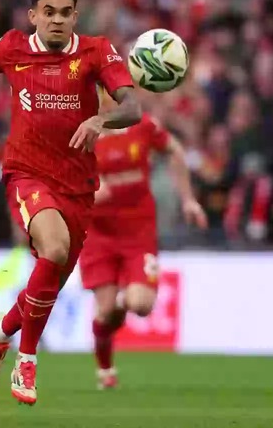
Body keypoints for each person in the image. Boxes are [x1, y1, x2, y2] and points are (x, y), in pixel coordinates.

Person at [0, 0, 142, 405]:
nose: (57, 20)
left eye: (65, 13)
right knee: (54, 249)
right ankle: (27, 360)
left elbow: (131, 107)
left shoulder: (97, 50)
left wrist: (102, 120)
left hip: (78, 187)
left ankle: (2, 332)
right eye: (49, 12)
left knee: (48, 284)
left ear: (75, 16)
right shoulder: (11, 48)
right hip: (27, 175)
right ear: (33, 16)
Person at [80, 87, 207, 389]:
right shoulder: (82, 134)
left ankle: (123, 300)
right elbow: (59, 180)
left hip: (138, 232)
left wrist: (188, 199)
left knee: (140, 304)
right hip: (98, 234)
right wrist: (87, 191)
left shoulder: (142, 126)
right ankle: (105, 369)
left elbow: (175, 151)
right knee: (106, 311)